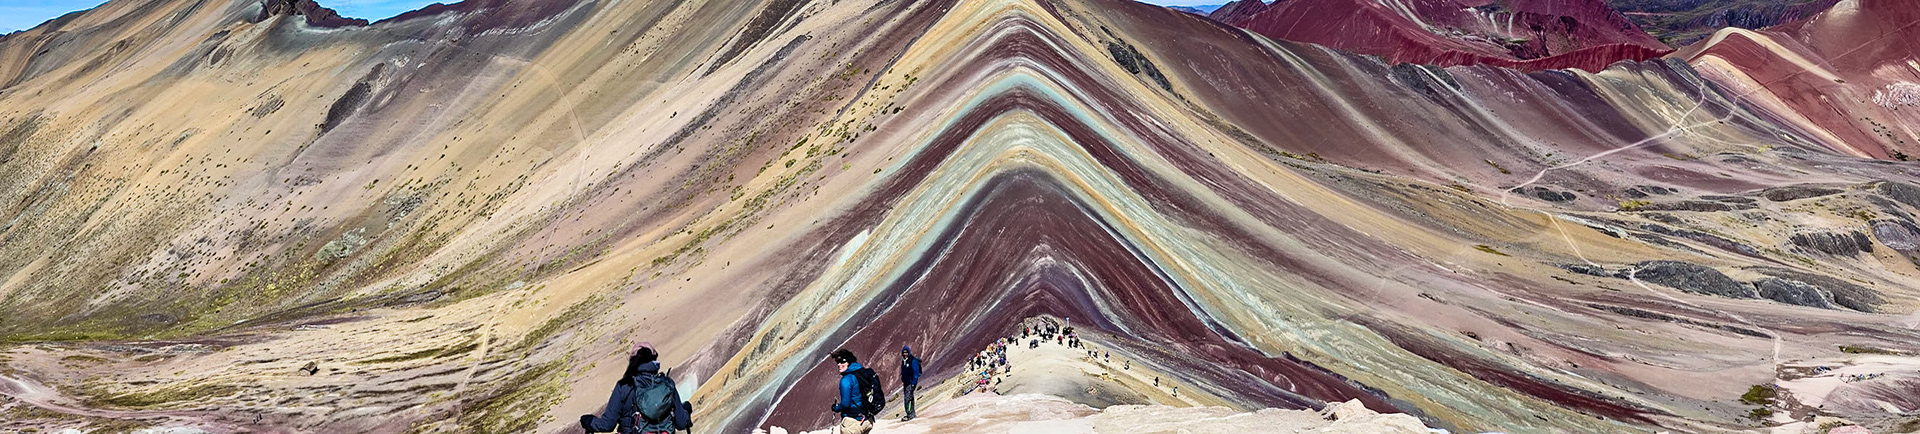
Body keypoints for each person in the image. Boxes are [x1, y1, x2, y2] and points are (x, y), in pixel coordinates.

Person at [581, 343, 692, 434]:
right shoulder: (667, 385)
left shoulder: (624, 387)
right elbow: (681, 423)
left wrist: (589, 421)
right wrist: (686, 410)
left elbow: (607, 425)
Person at [830, 349, 879, 434]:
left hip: (853, 423)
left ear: (849, 362)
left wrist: (836, 408)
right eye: (837, 362)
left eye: (842, 362)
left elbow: (845, 404)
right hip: (867, 420)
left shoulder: (846, 380)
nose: (839, 364)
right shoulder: (861, 373)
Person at [898, 346, 922, 421]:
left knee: (907, 399)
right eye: (904, 353)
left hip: (910, 383)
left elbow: (916, 372)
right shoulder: (904, 361)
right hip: (906, 382)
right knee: (910, 398)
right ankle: (911, 414)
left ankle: (910, 414)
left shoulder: (912, 361)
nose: (905, 354)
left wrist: (913, 383)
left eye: (906, 352)